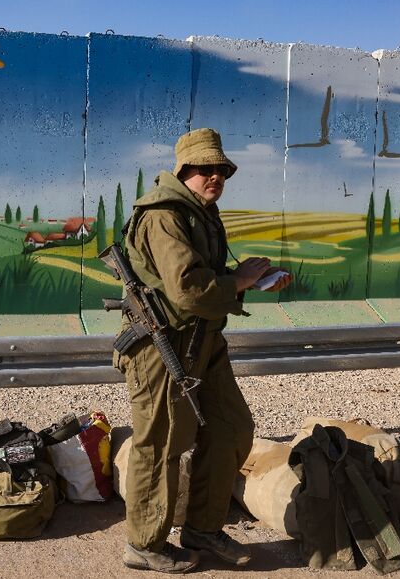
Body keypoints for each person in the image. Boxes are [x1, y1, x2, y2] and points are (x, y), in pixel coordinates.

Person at [117, 128, 292, 574]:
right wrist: (240, 281)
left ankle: (203, 529)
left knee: (231, 428)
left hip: (204, 341)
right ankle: (143, 544)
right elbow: (187, 288)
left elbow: (205, 278)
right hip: (161, 346)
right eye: (205, 168)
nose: (215, 176)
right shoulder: (164, 215)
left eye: (221, 170)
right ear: (183, 170)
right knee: (160, 444)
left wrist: (250, 280)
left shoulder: (201, 213)